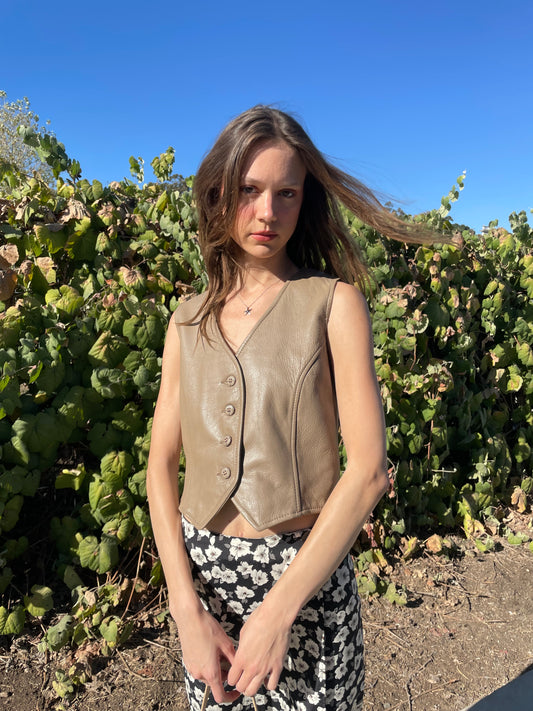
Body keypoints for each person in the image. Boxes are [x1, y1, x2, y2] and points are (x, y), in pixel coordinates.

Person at [146, 105, 436, 711]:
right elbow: (159, 467)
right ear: (220, 193)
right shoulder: (185, 321)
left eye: (287, 194)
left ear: (305, 203)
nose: (267, 213)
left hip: (304, 588)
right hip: (207, 592)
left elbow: (367, 471)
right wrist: (185, 613)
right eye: (249, 191)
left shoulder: (334, 303)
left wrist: (279, 614)